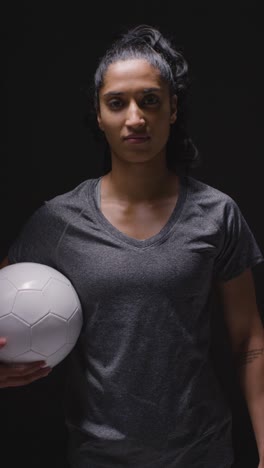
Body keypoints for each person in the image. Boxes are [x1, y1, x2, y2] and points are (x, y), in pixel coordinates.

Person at [1, 23, 264, 468]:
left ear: (173, 109)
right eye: (117, 103)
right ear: (99, 114)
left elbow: (248, 338)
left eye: (150, 101)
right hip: (98, 456)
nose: (135, 118)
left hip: (202, 453)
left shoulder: (217, 213)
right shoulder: (58, 220)